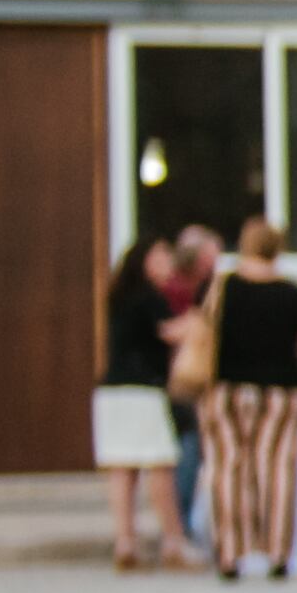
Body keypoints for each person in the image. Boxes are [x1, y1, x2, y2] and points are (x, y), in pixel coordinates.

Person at [196, 220, 297, 580]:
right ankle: (278, 553)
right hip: (281, 389)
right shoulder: (291, 292)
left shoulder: (223, 286)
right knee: (278, 467)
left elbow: (203, 326)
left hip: (226, 388)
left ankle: (230, 554)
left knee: (227, 467)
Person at [97, 237, 183, 570]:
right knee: (160, 463)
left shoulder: (118, 294)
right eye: (163, 254)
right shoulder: (149, 296)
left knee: (122, 467)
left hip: (112, 391)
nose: (169, 262)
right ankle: (173, 541)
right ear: (146, 258)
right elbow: (173, 332)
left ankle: (125, 541)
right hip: (142, 390)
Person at [163, 224, 223, 551]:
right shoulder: (175, 289)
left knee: (194, 452)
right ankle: (180, 524)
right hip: (179, 381)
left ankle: (187, 522)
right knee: (187, 450)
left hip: (199, 380)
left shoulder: (209, 286)